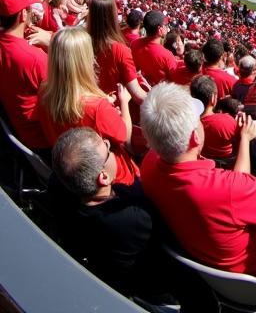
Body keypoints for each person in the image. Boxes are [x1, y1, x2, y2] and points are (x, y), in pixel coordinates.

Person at [140, 82, 256, 293]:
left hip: (209, 270)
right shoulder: (228, 189)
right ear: (195, 137)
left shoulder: (148, 165)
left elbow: (236, 197)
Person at [49, 128, 183, 305]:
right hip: (148, 287)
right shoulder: (134, 215)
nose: (109, 144)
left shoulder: (58, 185)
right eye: (107, 149)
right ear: (103, 177)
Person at [36, 27, 138, 185]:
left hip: (71, 172)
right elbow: (125, 137)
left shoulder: (44, 91)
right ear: (84, 61)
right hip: (109, 178)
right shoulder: (97, 108)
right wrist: (124, 101)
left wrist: (108, 111)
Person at [0, 0, 50, 149]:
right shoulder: (34, 58)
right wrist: (52, 45)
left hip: (15, 131)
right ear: (22, 14)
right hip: (42, 140)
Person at [86, 0, 147, 103]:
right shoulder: (120, 50)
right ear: (112, 16)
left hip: (93, 103)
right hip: (114, 108)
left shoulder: (82, 41)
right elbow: (138, 96)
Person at [131, 11, 181, 86]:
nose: (167, 26)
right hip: (161, 93)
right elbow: (175, 82)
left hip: (145, 87)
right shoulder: (167, 55)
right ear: (159, 29)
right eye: (165, 25)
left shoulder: (135, 43)